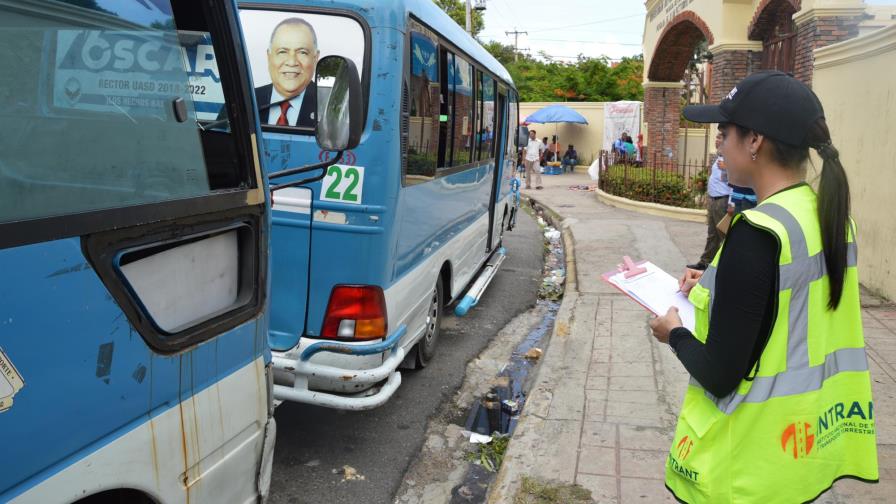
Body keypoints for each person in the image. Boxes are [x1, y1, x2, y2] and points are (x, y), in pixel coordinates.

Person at [649, 71, 878, 503]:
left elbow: (718, 373)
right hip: (806, 448)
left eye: (724, 134)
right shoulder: (826, 215)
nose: (719, 146)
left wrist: (673, 332)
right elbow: (787, 299)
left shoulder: (757, 232)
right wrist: (717, 281)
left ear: (754, 141)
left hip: (747, 467)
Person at [258, 17, 319, 127]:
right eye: (282, 52)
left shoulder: (331, 109)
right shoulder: (243, 102)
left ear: (315, 58)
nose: (292, 62)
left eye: (302, 52)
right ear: (269, 57)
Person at [687, 133, 731, 270]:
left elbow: (737, 181)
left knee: (723, 234)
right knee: (712, 233)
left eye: (720, 138)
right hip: (713, 200)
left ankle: (725, 265)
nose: (716, 141)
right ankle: (705, 262)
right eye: (716, 138)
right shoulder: (719, 157)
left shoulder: (730, 160)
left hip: (722, 201)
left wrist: (731, 203)